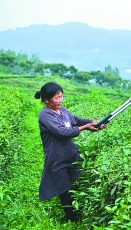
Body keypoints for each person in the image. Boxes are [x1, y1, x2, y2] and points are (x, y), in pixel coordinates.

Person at [34, 82, 106, 222]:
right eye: (57, 98)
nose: (60, 100)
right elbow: (61, 132)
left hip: (71, 154)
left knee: (77, 183)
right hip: (56, 157)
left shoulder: (63, 111)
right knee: (64, 189)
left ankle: (80, 214)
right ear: (47, 100)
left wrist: (93, 122)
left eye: (61, 96)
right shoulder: (45, 115)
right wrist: (85, 127)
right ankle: (72, 219)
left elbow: (76, 120)